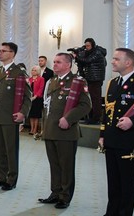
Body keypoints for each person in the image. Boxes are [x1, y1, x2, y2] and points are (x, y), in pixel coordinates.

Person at [99, 48, 134, 216]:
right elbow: (107, 112)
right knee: (113, 182)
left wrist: (133, 121)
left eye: (116, 59)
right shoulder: (112, 83)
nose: (112, 61)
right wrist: (102, 135)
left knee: (127, 183)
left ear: (128, 62)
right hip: (111, 140)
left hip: (128, 141)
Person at [38, 52, 91, 210]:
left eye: (58, 62)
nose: (54, 64)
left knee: (66, 166)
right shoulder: (52, 81)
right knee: (54, 164)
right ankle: (55, 192)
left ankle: (65, 196)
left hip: (66, 132)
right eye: (54, 62)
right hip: (50, 130)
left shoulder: (77, 81)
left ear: (68, 65)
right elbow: (48, 106)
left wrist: (68, 118)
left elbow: (86, 105)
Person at [0, 42, 32, 191]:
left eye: (3, 51)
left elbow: (27, 96)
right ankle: (0, 177)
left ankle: (11, 179)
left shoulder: (19, 72)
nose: (0, 53)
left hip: (10, 117)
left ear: (12, 53)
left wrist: (23, 113)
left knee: (10, 150)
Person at [74, 37, 107, 124]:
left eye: (88, 46)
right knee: (90, 98)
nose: (86, 47)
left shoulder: (97, 52)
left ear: (93, 45)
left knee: (95, 99)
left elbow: (87, 61)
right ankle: (90, 117)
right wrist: (79, 51)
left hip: (96, 79)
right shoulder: (90, 52)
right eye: (85, 46)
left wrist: (76, 55)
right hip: (90, 78)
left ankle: (96, 118)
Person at [28, 66, 46, 137]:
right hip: (30, 98)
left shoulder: (41, 79)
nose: (33, 71)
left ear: (38, 71)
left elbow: (41, 88)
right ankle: (31, 129)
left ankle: (35, 129)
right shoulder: (29, 79)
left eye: (35, 70)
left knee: (36, 115)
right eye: (32, 70)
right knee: (31, 115)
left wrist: (35, 96)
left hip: (37, 99)